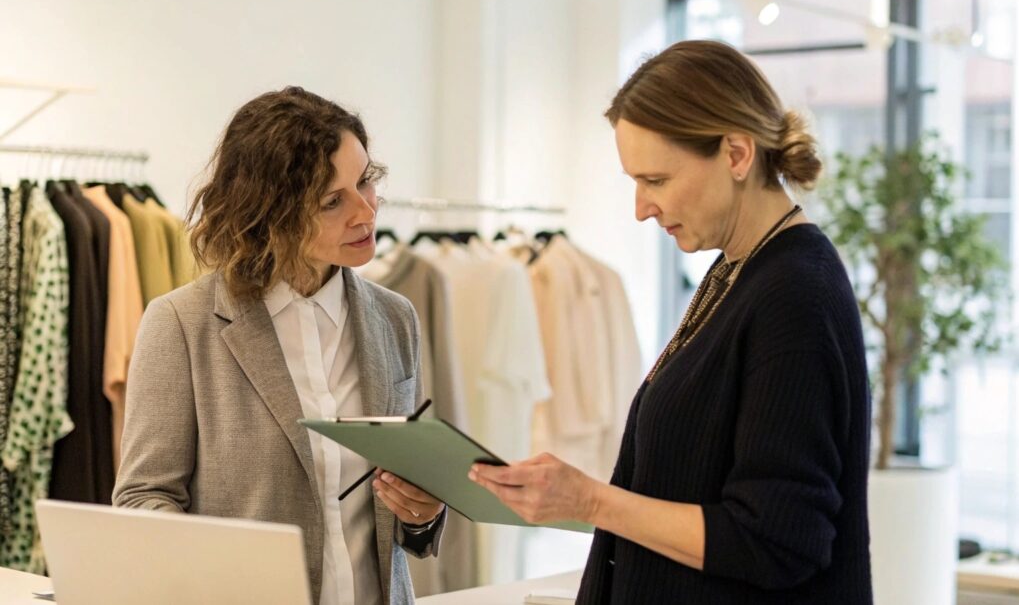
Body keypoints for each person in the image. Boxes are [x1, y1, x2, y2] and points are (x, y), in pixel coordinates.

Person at [470, 40, 872, 603]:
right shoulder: (738, 270)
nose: (641, 207)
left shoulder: (793, 295)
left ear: (736, 154)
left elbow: (779, 538)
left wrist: (589, 499)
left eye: (656, 180)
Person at [113, 87, 446, 605]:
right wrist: (222, 567)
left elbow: (403, 516)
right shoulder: (181, 324)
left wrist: (423, 513)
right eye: (333, 201)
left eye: (365, 183)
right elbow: (142, 498)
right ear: (269, 214)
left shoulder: (395, 318)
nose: (365, 212)